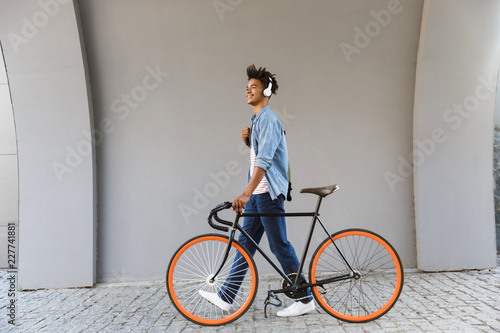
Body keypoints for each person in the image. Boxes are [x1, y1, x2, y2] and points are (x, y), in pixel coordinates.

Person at [199, 64, 315, 317]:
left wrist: (245, 193)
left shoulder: (269, 119)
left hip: (266, 195)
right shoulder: (259, 120)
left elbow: (265, 162)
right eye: (247, 88)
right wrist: (249, 143)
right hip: (258, 195)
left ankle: (305, 299)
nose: (248, 91)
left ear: (267, 90)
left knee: (279, 246)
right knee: (245, 245)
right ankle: (226, 297)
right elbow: (262, 155)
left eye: (254, 87)